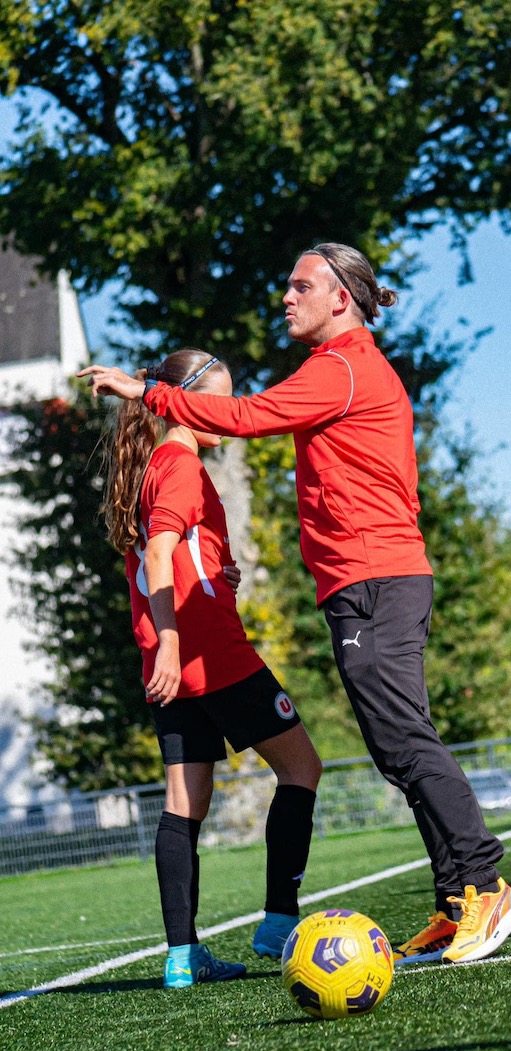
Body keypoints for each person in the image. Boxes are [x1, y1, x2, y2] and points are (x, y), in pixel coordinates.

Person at [79, 241, 511, 966]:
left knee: (404, 741)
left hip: (375, 576)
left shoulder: (343, 366)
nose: (285, 298)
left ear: (340, 299)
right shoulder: (342, 369)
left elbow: (249, 416)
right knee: (394, 744)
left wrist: (149, 394)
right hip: (363, 582)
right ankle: (456, 902)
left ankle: (486, 882)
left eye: (299, 287)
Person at [99, 347, 322, 988]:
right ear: (189, 402)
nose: (228, 413)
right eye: (221, 400)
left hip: (168, 660)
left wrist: (217, 575)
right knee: (303, 768)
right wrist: (174, 642)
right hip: (205, 655)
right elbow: (163, 554)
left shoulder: (154, 466)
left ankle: (181, 955)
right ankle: (280, 918)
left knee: (183, 802)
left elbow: (175, 559)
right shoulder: (180, 464)